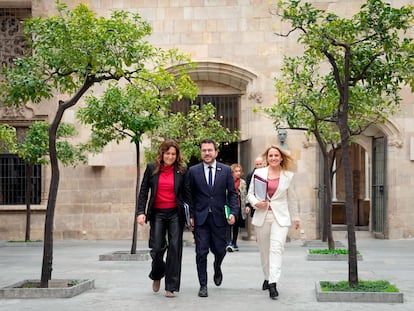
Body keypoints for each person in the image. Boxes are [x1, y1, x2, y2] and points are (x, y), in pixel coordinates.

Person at [136, 139, 193, 298]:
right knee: (157, 248)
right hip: (157, 214)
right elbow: (143, 191)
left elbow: (187, 194)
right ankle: (157, 274)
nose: (170, 156)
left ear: (177, 155)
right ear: (162, 153)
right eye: (167, 153)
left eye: (173, 154)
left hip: (175, 213)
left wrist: (192, 215)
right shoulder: (152, 168)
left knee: (175, 248)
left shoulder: (182, 170)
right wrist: (141, 212)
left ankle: (171, 286)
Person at [186, 138, 238, 298]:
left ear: (216, 152)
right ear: (201, 152)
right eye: (204, 150)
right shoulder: (193, 171)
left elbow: (232, 194)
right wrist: (191, 216)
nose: (207, 153)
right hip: (201, 219)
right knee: (201, 252)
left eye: (210, 150)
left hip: (219, 218)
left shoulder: (226, 170)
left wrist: (233, 213)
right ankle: (203, 285)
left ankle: (217, 266)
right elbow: (189, 196)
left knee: (220, 250)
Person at [247, 145, 300, 300]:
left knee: (277, 249)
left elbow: (292, 199)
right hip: (263, 216)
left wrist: (296, 218)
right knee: (264, 251)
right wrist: (256, 203)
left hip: (280, 218)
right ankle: (267, 276)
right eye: (271, 156)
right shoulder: (259, 173)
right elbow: (250, 195)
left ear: (281, 157)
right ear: (267, 158)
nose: (273, 158)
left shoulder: (288, 176)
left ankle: (273, 283)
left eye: (276, 155)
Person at [226, 163, 247, 252]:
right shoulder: (227, 181)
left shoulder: (242, 182)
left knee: (236, 225)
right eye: (236, 171)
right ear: (232, 172)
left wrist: (247, 205)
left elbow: (245, 194)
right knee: (228, 225)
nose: (238, 173)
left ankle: (234, 242)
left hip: (238, 205)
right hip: (228, 205)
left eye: (239, 171)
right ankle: (228, 242)